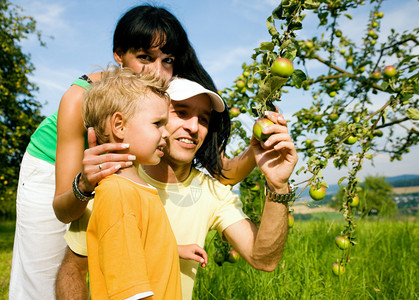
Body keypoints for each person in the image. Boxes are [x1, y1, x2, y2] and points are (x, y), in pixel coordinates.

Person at [10, 4, 253, 300]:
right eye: (144, 58)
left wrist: (255, 152)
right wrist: (84, 184)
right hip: (53, 170)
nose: (158, 72)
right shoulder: (79, 98)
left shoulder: (162, 100)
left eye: (167, 60)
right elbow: (62, 210)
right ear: (118, 55)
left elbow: (219, 171)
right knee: (43, 275)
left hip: (113, 173)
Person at [60, 76, 299, 300]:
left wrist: (277, 184)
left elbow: (264, 260)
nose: (194, 127)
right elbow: (74, 269)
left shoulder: (211, 193)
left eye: (204, 119)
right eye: (181, 113)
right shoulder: (109, 180)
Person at [82, 66, 182, 299]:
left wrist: (176, 251)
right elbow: (129, 292)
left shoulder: (136, 189)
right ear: (119, 126)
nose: (165, 133)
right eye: (157, 123)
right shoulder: (117, 193)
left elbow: (139, 248)